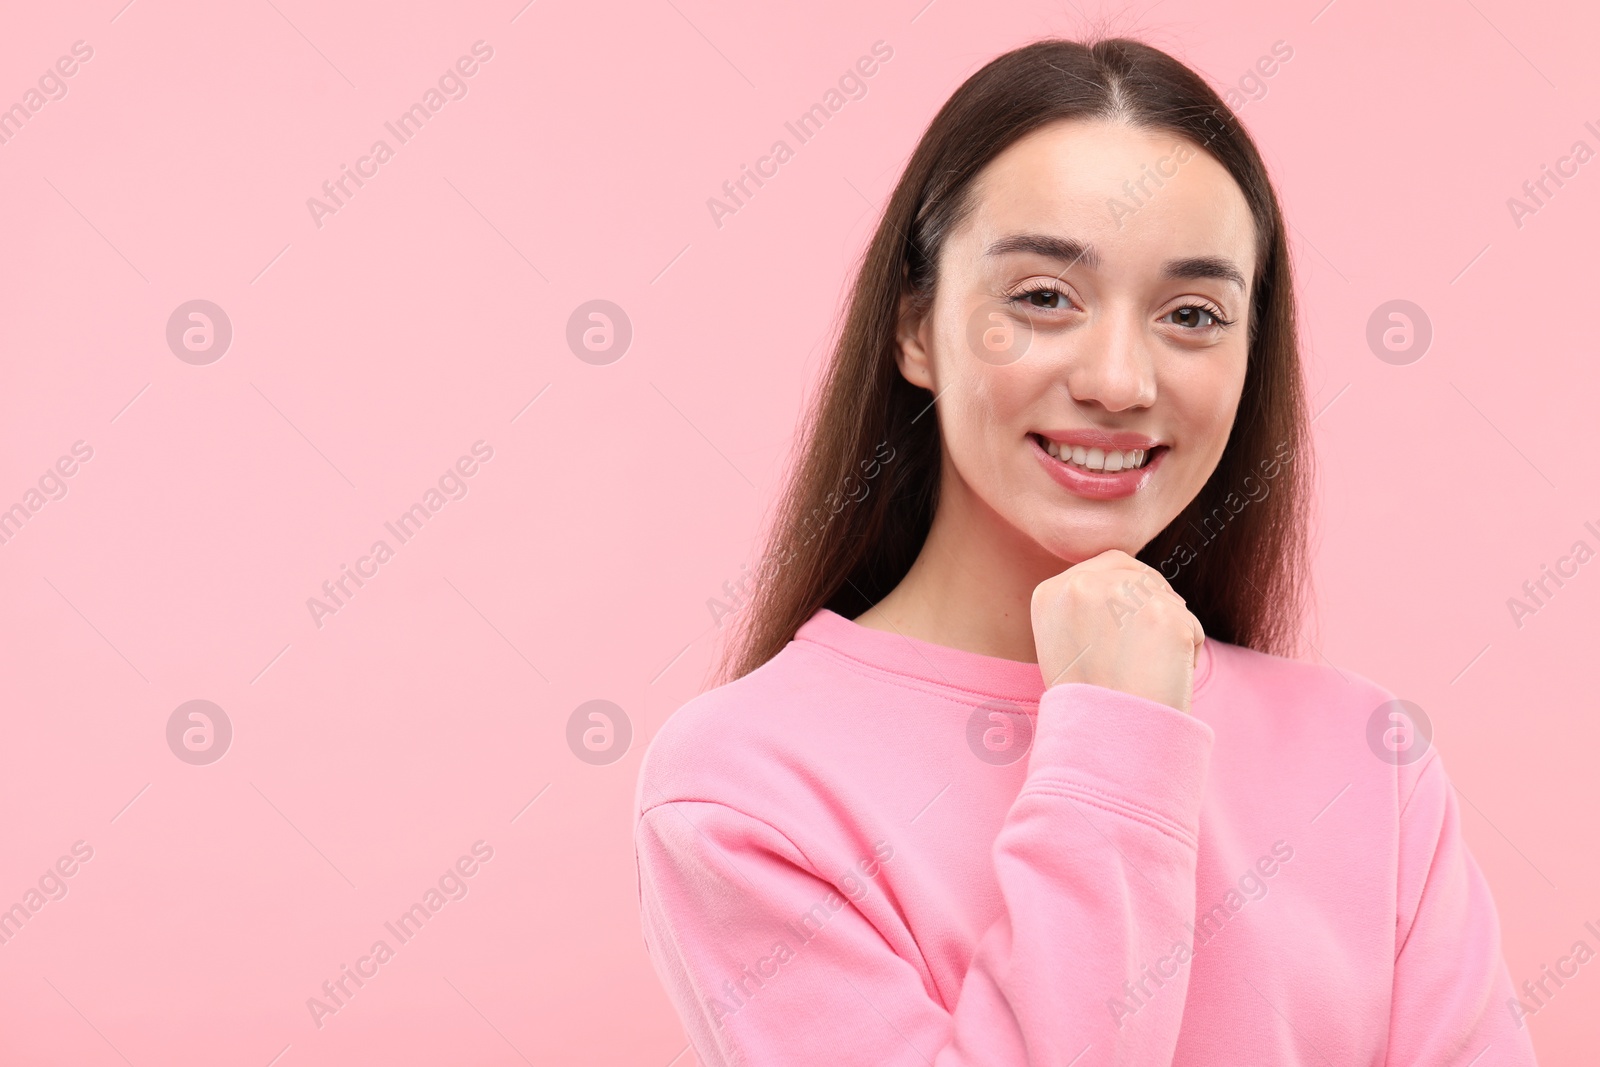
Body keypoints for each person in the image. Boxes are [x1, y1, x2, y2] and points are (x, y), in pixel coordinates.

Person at [633, 35, 1537, 1066]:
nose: (1118, 377)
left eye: (1192, 314)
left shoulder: (1366, 758)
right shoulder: (742, 789)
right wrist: (1115, 745)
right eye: (1043, 296)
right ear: (916, 327)